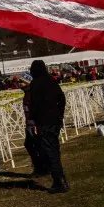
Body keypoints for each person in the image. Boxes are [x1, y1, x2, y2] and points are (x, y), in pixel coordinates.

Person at [29, 59, 69, 193]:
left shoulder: (35, 84)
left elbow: (33, 105)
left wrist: (33, 121)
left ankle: (60, 181)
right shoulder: (51, 81)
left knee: (50, 151)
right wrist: (60, 114)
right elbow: (61, 98)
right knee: (54, 150)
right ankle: (59, 179)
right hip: (55, 120)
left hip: (43, 121)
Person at [18, 72, 47, 176]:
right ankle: (40, 167)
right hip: (30, 123)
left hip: (34, 123)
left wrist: (36, 124)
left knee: (36, 145)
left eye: (22, 82)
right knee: (31, 144)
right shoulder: (27, 93)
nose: (19, 84)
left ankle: (42, 168)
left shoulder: (32, 94)